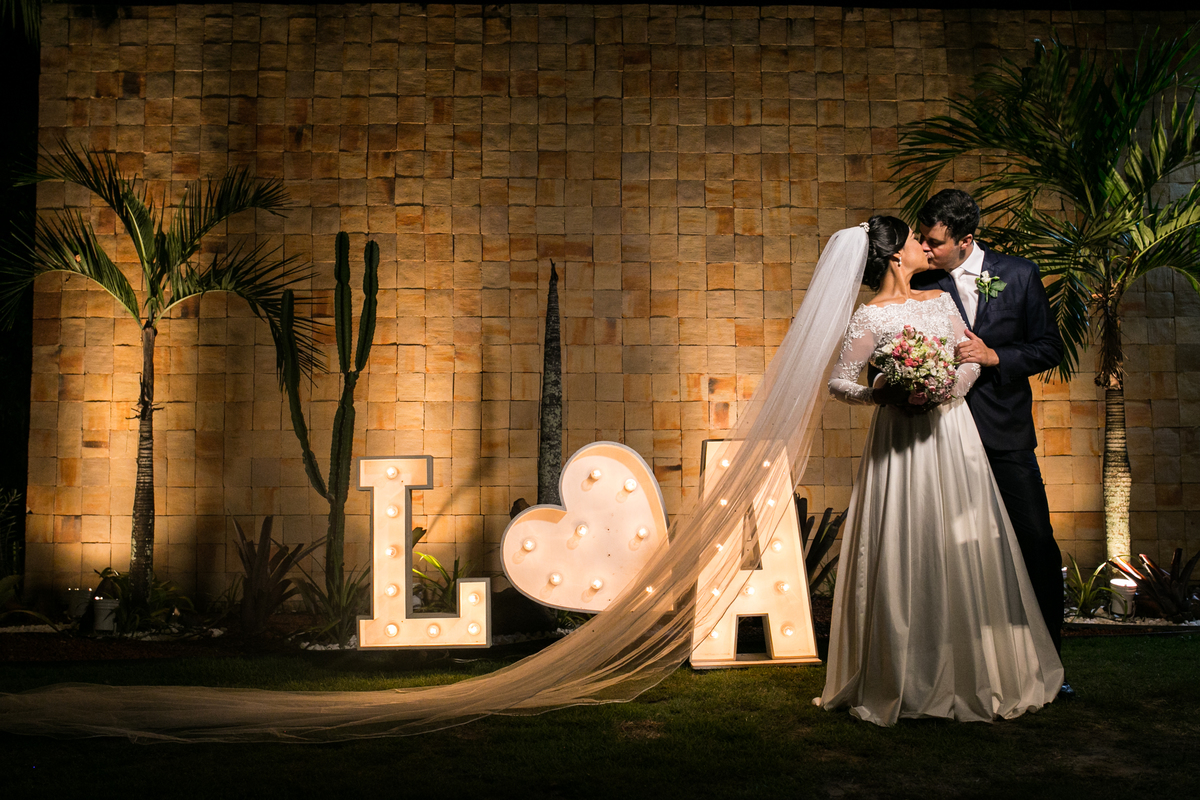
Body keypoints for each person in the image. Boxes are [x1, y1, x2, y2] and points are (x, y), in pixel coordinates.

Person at [819, 215, 1063, 725]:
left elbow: (968, 357)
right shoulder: (868, 317)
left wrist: (944, 389)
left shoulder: (939, 299)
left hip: (953, 432)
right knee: (909, 541)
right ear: (894, 255)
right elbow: (840, 382)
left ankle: (978, 666)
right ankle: (905, 673)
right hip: (900, 441)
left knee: (969, 540)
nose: (922, 247)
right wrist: (880, 393)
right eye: (913, 240)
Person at [911, 190, 1069, 680]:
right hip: (942, 433)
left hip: (1005, 432)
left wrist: (996, 357)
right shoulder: (923, 279)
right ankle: (962, 664)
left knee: (1035, 541)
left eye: (935, 241)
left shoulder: (1018, 274)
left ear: (967, 240)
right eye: (923, 237)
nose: (926, 247)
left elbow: (1049, 347)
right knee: (946, 548)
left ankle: (1049, 664)